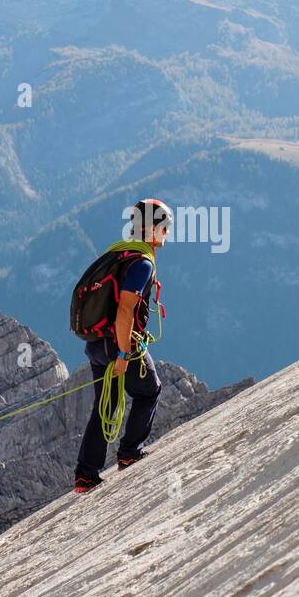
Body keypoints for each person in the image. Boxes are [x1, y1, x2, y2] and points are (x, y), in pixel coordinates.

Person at [73, 199, 171, 493]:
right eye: (164, 226)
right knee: (150, 391)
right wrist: (124, 353)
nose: (166, 232)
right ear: (151, 228)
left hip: (96, 342)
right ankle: (130, 452)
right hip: (120, 343)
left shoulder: (117, 254)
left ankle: (85, 475)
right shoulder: (141, 263)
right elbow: (126, 308)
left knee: (107, 407)